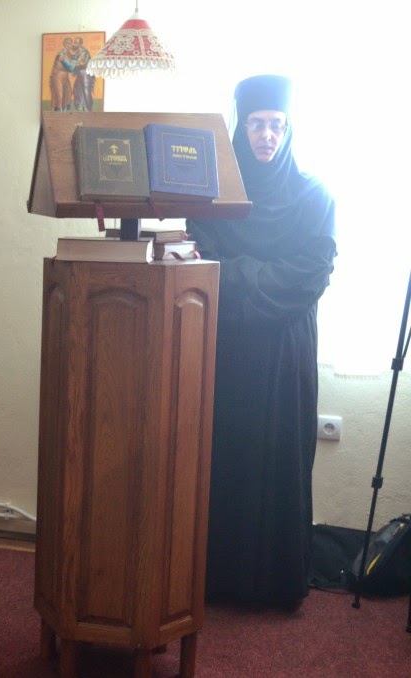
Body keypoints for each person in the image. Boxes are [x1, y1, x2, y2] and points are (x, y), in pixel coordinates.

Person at [187, 74, 336, 608]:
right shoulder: (214, 197)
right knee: (226, 455)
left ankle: (275, 584)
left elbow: (312, 272)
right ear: (240, 127)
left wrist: (243, 275)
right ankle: (217, 580)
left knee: (280, 458)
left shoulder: (315, 196)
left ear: (288, 128)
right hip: (228, 346)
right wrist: (254, 278)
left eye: (275, 125)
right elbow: (201, 263)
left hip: (286, 348)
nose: (266, 136)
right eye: (255, 125)